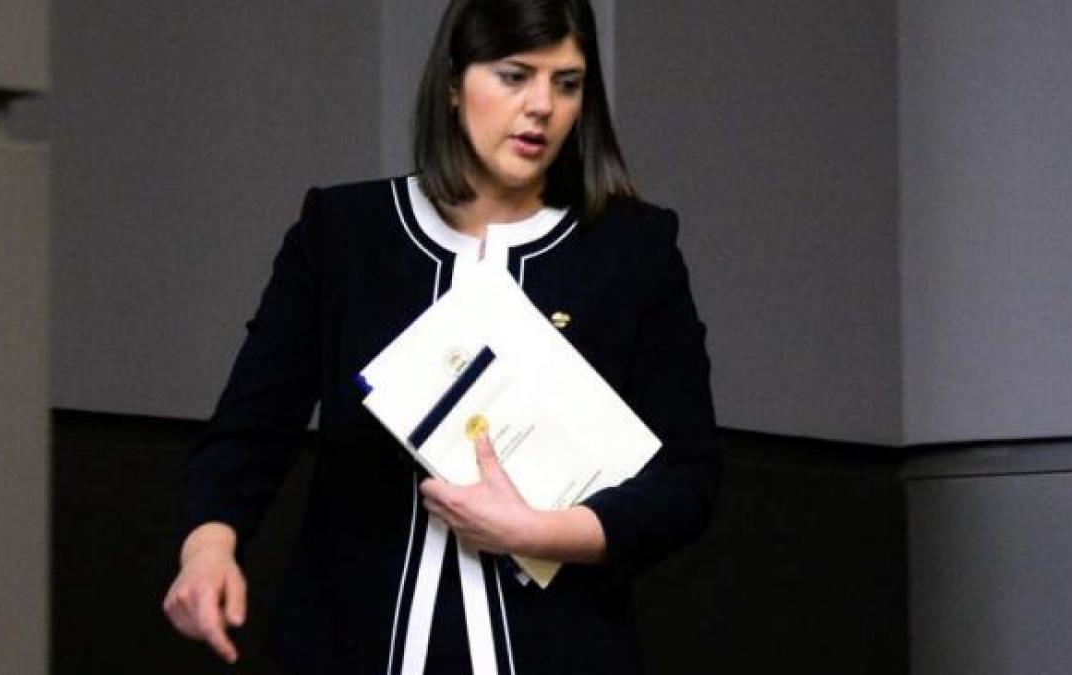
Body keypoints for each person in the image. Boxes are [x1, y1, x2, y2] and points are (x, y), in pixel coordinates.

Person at [162, 0, 719, 672]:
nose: (541, 106)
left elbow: (686, 480)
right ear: (454, 83)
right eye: (514, 76)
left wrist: (541, 531)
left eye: (567, 83)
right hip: (347, 644)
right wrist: (208, 549)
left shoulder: (632, 252)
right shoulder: (345, 234)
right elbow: (249, 431)